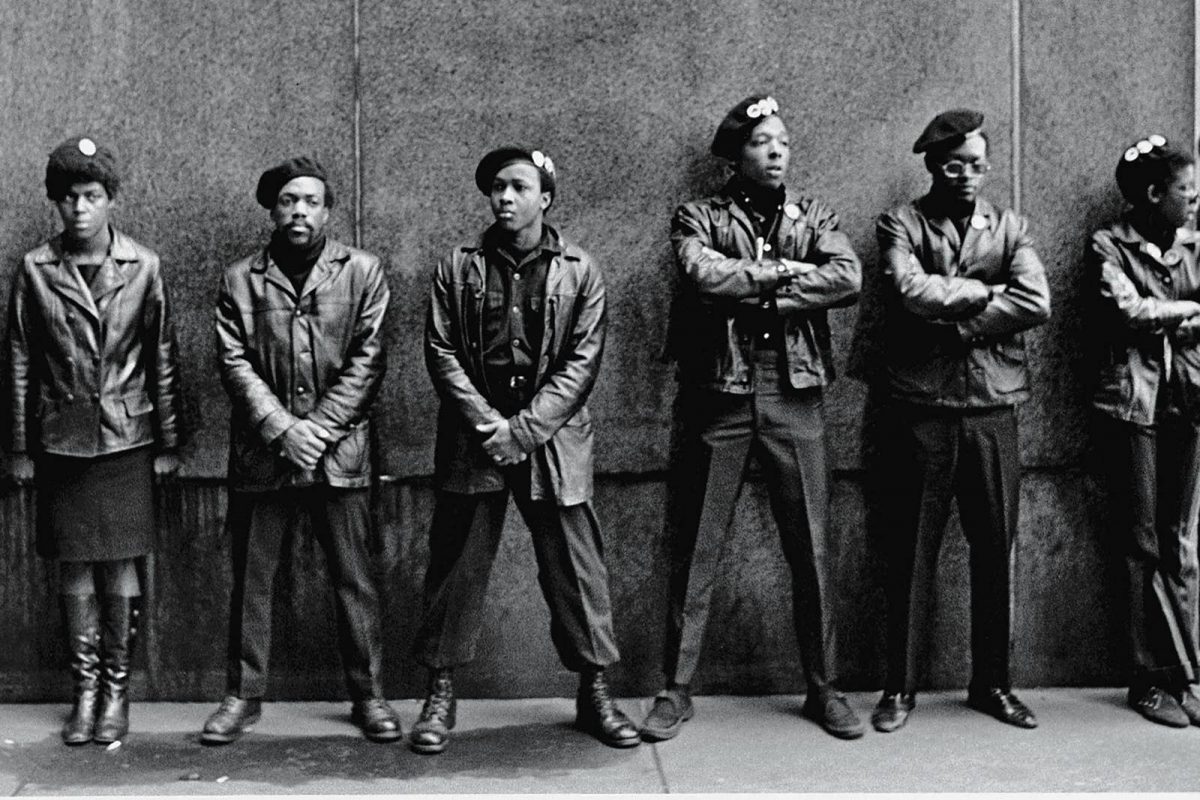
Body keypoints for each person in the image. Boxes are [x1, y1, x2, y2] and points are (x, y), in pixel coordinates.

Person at [645, 95, 864, 742]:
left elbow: (847, 277)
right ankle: (674, 689)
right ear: (737, 153)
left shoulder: (814, 213)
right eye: (763, 142)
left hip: (794, 391)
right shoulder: (700, 215)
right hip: (722, 391)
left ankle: (824, 688)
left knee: (812, 548)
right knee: (697, 548)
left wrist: (761, 283)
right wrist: (789, 274)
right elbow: (704, 276)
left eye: (785, 142)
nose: (777, 153)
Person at [410, 146, 638, 754]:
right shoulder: (457, 268)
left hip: (552, 442)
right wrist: (491, 425)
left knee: (576, 569)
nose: (503, 198)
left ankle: (594, 691)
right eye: (495, 188)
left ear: (546, 197)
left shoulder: (579, 270)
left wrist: (525, 430)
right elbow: (442, 352)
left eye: (517, 187)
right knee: (455, 567)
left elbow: (582, 363)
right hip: (474, 439)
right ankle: (439, 695)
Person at [204, 157, 397, 744]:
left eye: (310, 201)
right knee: (253, 580)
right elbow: (233, 363)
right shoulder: (241, 279)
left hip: (339, 456)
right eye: (288, 201)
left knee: (354, 580)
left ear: (328, 211)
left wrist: (317, 429)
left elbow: (370, 358)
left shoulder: (362, 272)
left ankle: (368, 695)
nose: (299, 212)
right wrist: (284, 430)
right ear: (272, 210)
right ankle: (242, 696)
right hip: (266, 456)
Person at [872, 109, 1050, 732]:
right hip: (921, 410)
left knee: (994, 550)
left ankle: (993, 684)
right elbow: (910, 292)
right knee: (910, 550)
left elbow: (1035, 300)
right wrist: (982, 292)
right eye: (955, 165)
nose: (968, 175)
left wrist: (962, 318)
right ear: (932, 166)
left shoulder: (1012, 227)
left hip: (994, 409)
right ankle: (900, 688)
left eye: (977, 163)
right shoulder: (902, 222)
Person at [7, 136, 181, 745]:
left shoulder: (144, 265)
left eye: (92, 195)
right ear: (55, 202)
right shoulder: (35, 267)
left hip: (126, 436)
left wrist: (169, 441)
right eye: (69, 197)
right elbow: (20, 357)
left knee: (121, 562)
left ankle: (116, 691)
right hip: (61, 437)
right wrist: (21, 446)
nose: (80, 208)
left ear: (111, 200)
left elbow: (161, 351)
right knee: (75, 562)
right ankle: (84, 693)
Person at [1089, 135, 1200, 727]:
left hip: (1188, 403)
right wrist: (1188, 312)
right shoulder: (1109, 244)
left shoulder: (1193, 245)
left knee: (1180, 543)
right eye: (1187, 191)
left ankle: (1188, 673)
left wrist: (1170, 320)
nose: (1195, 201)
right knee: (1141, 545)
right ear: (1154, 195)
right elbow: (1128, 310)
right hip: (1133, 409)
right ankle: (1146, 678)